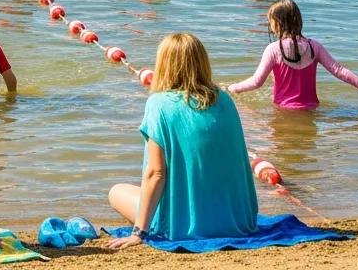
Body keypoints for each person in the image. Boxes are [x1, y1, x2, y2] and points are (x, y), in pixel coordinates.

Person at [107, 32, 257, 249]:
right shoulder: (225, 99)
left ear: (164, 65)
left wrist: (138, 233)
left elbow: (156, 173)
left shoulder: (159, 104)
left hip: (185, 227)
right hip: (240, 222)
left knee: (117, 192)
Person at [227, 0, 358, 109]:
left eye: (271, 22)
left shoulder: (273, 50)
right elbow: (339, 71)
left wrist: (234, 88)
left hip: (283, 111)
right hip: (311, 110)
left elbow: (256, 82)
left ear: (279, 23)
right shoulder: (313, 47)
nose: (270, 26)